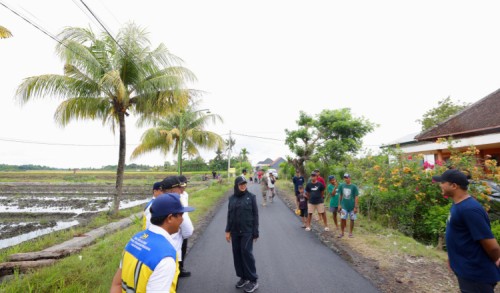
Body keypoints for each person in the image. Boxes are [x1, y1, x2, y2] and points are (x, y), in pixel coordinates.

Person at [110, 193, 195, 293]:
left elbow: (117, 284)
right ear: (170, 218)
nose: (182, 219)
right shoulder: (165, 257)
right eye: (181, 215)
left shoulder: (135, 239)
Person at [433, 169, 500, 292]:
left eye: (442, 182)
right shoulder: (459, 205)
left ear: (454, 186)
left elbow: (493, 247)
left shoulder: (469, 209)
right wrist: (453, 259)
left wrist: (496, 260)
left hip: (476, 275)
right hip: (467, 271)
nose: (440, 185)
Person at [225, 176, 259, 293]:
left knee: (246, 252)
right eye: (241, 184)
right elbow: (229, 215)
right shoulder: (232, 198)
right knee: (237, 253)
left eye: (244, 183)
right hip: (235, 231)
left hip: (247, 231)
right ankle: (243, 277)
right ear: (236, 185)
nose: (243, 186)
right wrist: (227, 231)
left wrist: (256, 231)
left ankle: (253, 280)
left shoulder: (251, 197)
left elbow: (255, 215)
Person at [178, 175, 194, 278]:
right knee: (177, 248)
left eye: (185, 184)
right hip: (177, 226)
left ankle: (181, 268)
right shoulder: (176, 196)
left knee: (183, 247)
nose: (183, 187)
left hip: (184, 225)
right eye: (182, 185)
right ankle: (177, 270)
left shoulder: (185, 195)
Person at [338, 173, 359, 238]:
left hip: (352, 206)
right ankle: (342, 232)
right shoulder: (342, 186)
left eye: (347, 178)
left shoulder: (354, 186)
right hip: (344, 205)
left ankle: (350, 233)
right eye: (345, 178)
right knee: (342, 218)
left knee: (352, 219)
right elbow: (340, 195)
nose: (346, 179)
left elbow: (356, 197)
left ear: (350, 178)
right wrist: (339, 204)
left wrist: (355, 207)